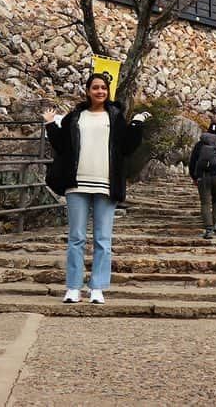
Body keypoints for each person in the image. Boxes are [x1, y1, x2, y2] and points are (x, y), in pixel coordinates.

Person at [42, 73, 149, 304]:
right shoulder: (76, 116)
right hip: (76, 182)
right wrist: (50, 124)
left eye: (103, 88)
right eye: (95, 87)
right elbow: (62, 145)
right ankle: (73, 287)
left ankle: (97, 287)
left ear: (107, 91)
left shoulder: (116, 116)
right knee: (76, 237)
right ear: (88, 91)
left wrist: (137, 124)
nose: (100, 91)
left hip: (105, 184)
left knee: (103, 239)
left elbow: (127, 147)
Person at [188, 121, 216, 239]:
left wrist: (194, 177)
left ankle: (208, 229)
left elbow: (193, 161)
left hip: (203, 177)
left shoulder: (199, 145)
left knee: (205, 203)